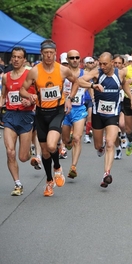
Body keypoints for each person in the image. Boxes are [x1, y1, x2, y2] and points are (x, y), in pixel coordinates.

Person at [19, 39, 79, 197]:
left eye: (51, 53)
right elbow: (22, 90)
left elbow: (76, 82)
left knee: (52, 146)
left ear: (55, 53)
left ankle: (58, 167)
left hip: (57, 111)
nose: (48, 56)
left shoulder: (62, 70)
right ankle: (49, 181)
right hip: (41, 113)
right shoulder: (35, 71)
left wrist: (69, 98)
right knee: (45, 152)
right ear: (42, 54)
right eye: (45, 53)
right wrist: (30, 95)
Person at [78, 52, 132, 188]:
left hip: (113, 114)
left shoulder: (120, 73)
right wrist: (93, 86)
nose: (102, 66)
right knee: (98, 145)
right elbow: (80, 80)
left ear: (111, 63)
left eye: (105, 64)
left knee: (110, 143)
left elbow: (125, 85)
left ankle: (106, 173)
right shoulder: (97, 73)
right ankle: (100, 148)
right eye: (100, 63)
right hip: (98, 114)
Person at [1, 47, 36, 196]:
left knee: (22, 157)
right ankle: (17, 184)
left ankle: (29, 150)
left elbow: (36, 96)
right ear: (11, 58)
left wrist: (31, 102)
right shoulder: (5, 77)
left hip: (26, 116)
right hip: (10, 116)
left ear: (24, 60)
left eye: (19, 57)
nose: (16, 59)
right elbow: (3, 95)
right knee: (10, 152)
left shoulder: (30, 75)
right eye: (14, 57)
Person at [61, 50, 88, 179]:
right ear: (68, 59)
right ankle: (68, 141)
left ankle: (73, 167)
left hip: (79, 109)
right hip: (65, 110)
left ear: (80, 59)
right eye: (72, 58)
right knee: (66, 140)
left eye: (77, 57)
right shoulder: (62, 73)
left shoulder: (84, 74)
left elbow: (91, 85)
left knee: (77, 138)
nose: (75, 60)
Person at [83, 56, 96, 144]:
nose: (91, 64)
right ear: (85, 64)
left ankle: (87, 135)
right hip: (82, 98)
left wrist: (93, 97)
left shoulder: (95, 73)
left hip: (90, 98)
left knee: (90, 116)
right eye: (89, 63)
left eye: (92, 63)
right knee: (82, 118)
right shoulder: (82, 73)